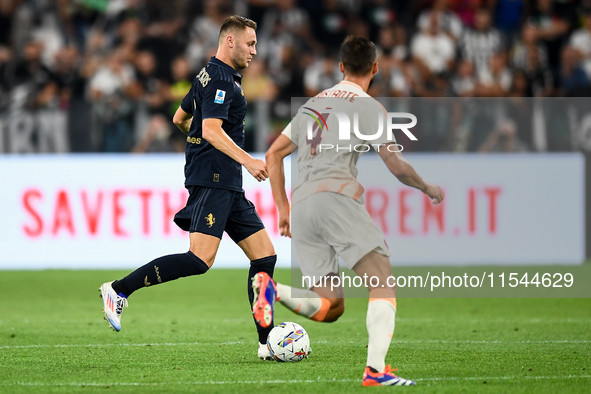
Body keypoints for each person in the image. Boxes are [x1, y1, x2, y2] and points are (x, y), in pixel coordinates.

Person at [259, 36, 444, 386]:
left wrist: (283, 209)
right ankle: (376, 370)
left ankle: (273, 290)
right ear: (375, 68)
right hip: (337, 197)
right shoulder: (369, 107)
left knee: (332, 306)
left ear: (340, 67)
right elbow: (395, 163)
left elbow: (273, 155)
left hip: (302, 205)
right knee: (382, 284)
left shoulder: (311, 104)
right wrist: (426, 187)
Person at [99, 15, 278, 361]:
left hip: (223, 180)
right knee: (199, 259)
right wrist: (248, 160)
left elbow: (180, 119)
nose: (255, 51)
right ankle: (118, 290)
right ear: (230, 41)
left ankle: (266, 342)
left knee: (264, 256)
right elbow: (210, 129)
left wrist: (200, 148)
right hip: (215, 179)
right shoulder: (222, 81)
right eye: (250, 43)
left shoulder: (206, 73)